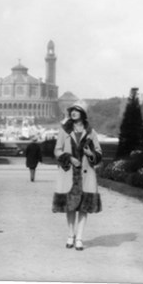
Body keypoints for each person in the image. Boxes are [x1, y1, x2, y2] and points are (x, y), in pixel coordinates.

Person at [52, 100, 102, 251]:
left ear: (83, 114)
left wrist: (90, 154)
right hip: (69, 174)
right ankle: (70, 235)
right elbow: (57, 150)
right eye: (72, 110)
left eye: (77, 110)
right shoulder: (64, 131)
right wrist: (69, 158)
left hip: (86, 175)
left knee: (84, 207)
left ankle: (79, 238)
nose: (73, 113)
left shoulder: (91, 132)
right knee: (70, 207)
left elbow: (99, 153)